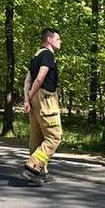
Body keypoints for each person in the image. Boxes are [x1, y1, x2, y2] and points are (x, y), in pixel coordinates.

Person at [22, 28, 62, 185]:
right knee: (54, 136)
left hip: (35, 99)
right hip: (46, 98)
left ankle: (41, 172)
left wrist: (27, 99)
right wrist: (32, 95)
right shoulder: (47, 55)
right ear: (49, 40)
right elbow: (39, 78)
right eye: (58, 39)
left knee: (37, 136)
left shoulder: (36, 56)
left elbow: (27, 81)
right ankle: (32, 168)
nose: (60, 41)